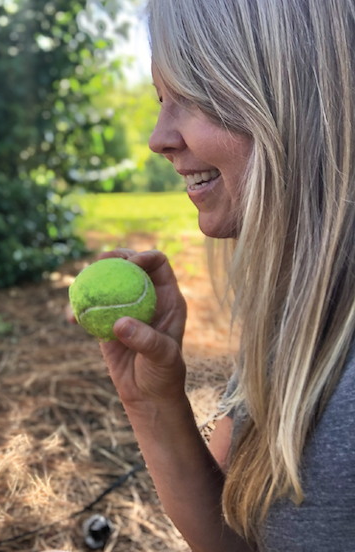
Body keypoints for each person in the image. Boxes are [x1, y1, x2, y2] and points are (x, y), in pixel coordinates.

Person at [80, 0, 355, 550]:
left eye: (190, 96)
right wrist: (153, 403)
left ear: (287, 94)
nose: (158, 138)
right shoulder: (303, 315)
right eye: (163, 100)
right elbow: (241, 542)